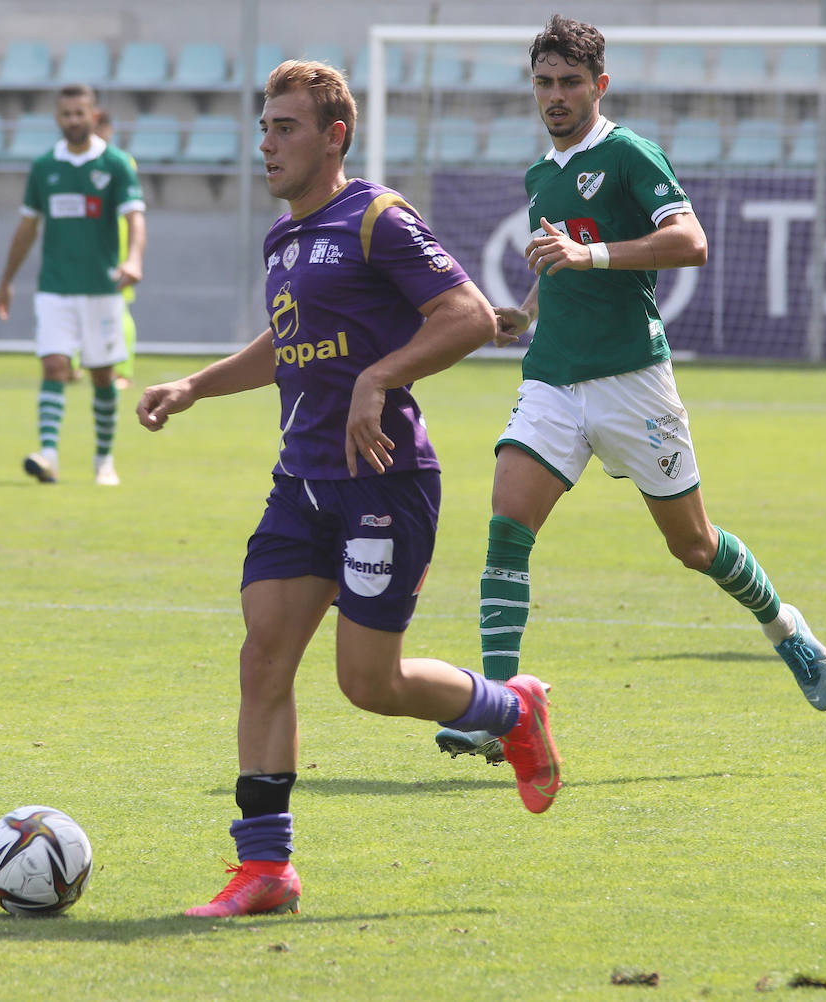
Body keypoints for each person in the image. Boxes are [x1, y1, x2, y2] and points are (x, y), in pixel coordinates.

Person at [135, 60, 561, 919]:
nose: (266, 145)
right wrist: (195, 385)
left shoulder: (377, 218)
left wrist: (378, 379)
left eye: (284, 128)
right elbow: (282, 344)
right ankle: (266, 870)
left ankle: (511, 709)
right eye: (263, 127)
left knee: (370, 683)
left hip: (384, 481)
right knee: (263, 659)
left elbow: (472, 317)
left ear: (334, 136)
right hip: (302, 484)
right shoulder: (284, 240)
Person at [434, 15, 826, 767]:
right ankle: (497, 709)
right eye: (544, 83)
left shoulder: (627, 154)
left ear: (600, 86)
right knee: (505, 524)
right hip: (555, 376)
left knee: (693, 545)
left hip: (633, 381)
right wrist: (527, 308)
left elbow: (691, 242)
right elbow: (560, 261)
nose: (555, 96)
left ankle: (785, 625)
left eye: (570, 83)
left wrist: (587, 256)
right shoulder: (539, 175)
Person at [0, 83, 145, 486]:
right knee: (54, 364)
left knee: (101, 376)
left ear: (94, 115)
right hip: (54, 288)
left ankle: (103, 460)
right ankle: (48, 456)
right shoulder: (44, 168)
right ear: (57, 118)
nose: (74, 120)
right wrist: (7, 279)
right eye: (66, 114)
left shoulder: (115, 164)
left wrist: (133, 258)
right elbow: (28, 226)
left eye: (81, 112)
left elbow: (135, 217)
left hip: (101, 288)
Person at [89, 108, 139, 391]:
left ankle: (123, 371)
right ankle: (72, 366)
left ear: (108, 130)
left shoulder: (120, 163)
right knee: (75, 302)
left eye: (100, 128)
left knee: (118, 309)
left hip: (114, 246)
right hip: (86, 245)